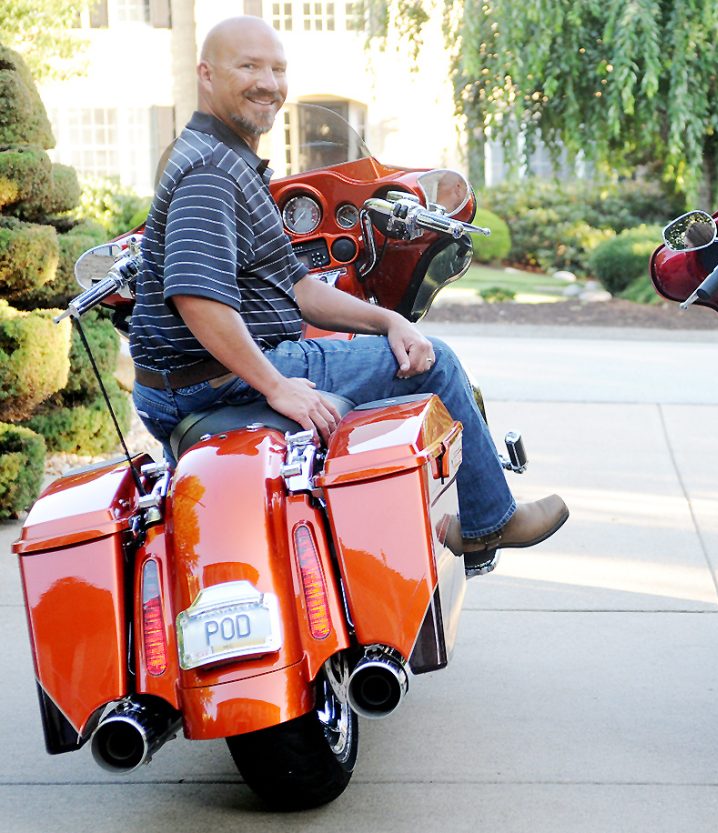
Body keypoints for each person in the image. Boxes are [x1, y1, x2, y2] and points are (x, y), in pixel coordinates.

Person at [128, 16, 568, 572]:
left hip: (204, 376)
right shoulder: (212, 172)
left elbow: (298, 286)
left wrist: (389, 322)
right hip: (210, 381)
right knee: (435, 365)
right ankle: (489, 523)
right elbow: (198, 299)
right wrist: (278, 387)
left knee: (401, 348)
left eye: (278, 69)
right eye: (249, 66)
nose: (268, 83)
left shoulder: (226, 159)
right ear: (207, 74)